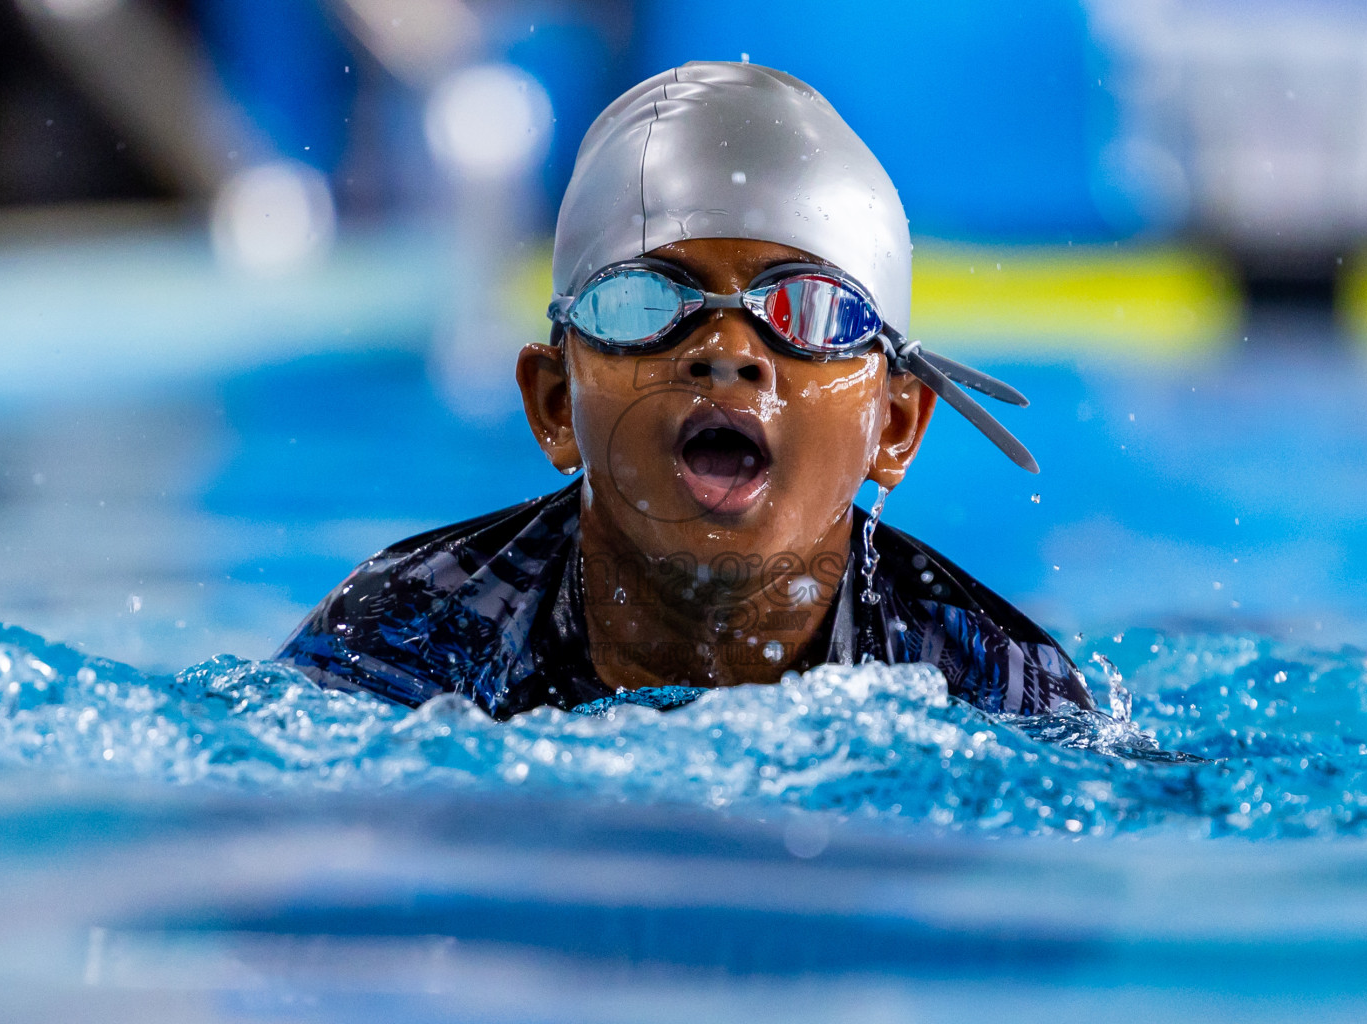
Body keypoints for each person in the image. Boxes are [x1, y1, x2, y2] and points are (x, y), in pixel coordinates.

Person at [276, 61, 1097, 719]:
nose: (728, 353)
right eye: (647, 301)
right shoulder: (402, 638)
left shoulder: (999, 686)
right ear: (555, 404)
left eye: (805, 309)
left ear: (896, 425)